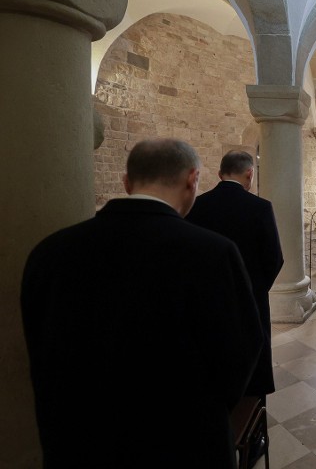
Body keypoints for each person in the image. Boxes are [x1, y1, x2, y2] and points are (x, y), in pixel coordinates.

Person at [21, 139, 263, 469]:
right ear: (193, 179)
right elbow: (240, 350)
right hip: (183, 442)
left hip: (80, 443)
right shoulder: (212, 253)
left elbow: (40, 347)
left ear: (126, 182)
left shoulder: (49, 253)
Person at [186, 150, 284, 405]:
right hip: (250, 296)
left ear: (220, 174)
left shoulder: (197, 205)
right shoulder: (260, 207)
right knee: (253, 353)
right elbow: (274, 257)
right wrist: (258, 287)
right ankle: (252, 414)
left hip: (208, 299)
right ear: (250, 173)